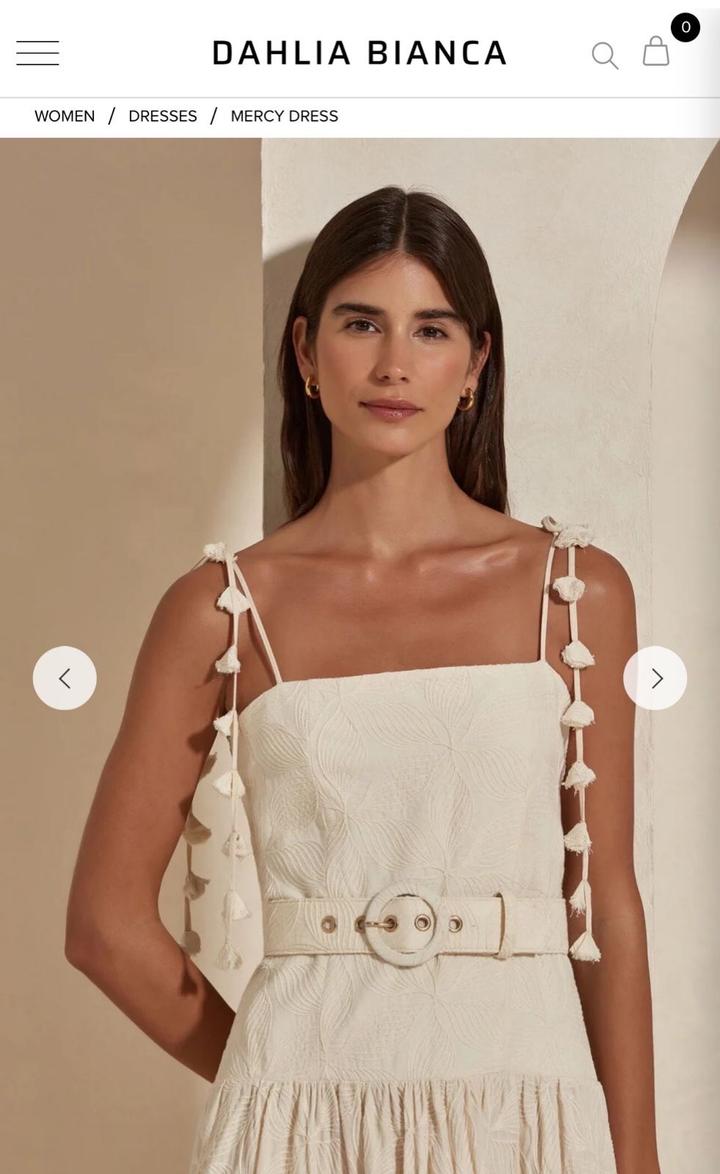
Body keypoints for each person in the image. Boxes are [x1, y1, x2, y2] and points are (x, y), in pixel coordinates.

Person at [65, 185, 661, 1173]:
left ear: (475, 364)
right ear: (305, 351)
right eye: (360, 324)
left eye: (431, 329)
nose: (393, 364)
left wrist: (637, 1161)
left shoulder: (575, 592)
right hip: (299, 1127)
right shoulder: (219, 609)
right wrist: (268, 1075)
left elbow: (606, 904)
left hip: (530, 1118)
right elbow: (104, 925)